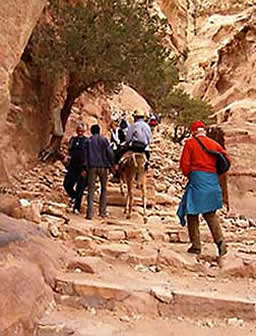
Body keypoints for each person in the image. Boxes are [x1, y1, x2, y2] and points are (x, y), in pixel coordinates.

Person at [177, 120, 231, 257]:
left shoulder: (190, 143)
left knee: (191, 211)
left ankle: (196, 246)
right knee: (210, 213)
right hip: (212, 181)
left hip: (198, 179)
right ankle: (220, 242)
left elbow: (184, 164)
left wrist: (191, 175)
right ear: (204, 131)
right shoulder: (215, 145)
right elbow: (227, 161)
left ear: (193, 132)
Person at [86, 124, 114, 220]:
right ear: (99, 131)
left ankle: (89, 214)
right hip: (103, 166)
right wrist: (112, 164)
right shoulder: (104, 140)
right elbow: (110, 153)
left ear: (91, 131)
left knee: (91, 189)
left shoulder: (88, 141)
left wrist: (85, 167)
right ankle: (102, 212)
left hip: (92, 166)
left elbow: (86, 155)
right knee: (104, 189)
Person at [63, 123, 88, 214]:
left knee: (80, 188)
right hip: (72, 166)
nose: (80, 132)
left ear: (84, 131)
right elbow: (69, 151)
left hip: (82, 167)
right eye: (78, 130)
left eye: (81, 130)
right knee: (66, 184)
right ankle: (73, 197)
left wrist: (85, 169)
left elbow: (87, 156)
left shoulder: (87, 141)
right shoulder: (73, 140)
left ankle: (76, 207)